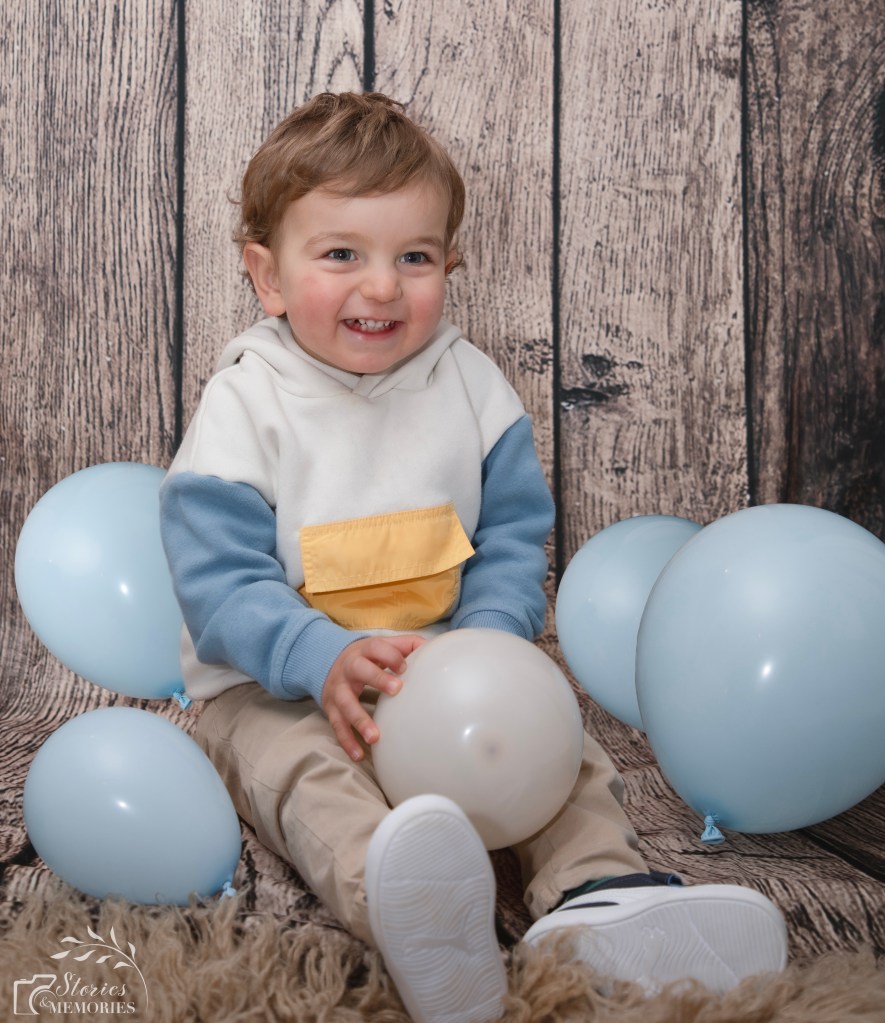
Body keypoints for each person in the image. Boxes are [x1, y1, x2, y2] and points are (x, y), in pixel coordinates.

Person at [160, 91, 788, 1023]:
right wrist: (316, 654)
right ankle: (412, 909)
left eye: (414, 257)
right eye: (341, 255)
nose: (383, 287)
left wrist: (491, 646)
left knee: (561, 752)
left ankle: (602, 896)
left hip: (442, 668)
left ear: (448, 261)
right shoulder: (246, 405)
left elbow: (510, 536)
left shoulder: (471, 386)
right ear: (268, 275)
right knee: (306, 777)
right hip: (276, 683)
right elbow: (219, 582)